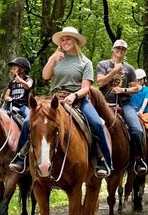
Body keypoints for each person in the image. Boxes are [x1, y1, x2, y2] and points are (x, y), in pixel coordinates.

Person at [41, 26, 113, 178]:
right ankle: (22, 157)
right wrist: (53, 58)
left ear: (75, 41)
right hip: (54, 99)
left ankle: (103, 160)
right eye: (63, 39)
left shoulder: (85, 62)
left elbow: (86, 88)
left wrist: (74, 96)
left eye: (68, 38)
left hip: (77, 99)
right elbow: (46, 76)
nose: (65, 41)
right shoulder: (56, 59)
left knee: (97, 124)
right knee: (30, 121)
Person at [96, 39, 148, 175]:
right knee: (89, 125)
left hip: (124, 103)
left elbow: (136, 88)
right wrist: (114, 71)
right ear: (113, 49)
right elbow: (100, 82)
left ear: (125, 52)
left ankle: (138, 158)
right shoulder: (103, 64)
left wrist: (123, 90)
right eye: (118, 48)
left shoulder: (129, 68)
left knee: (137, 129)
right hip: (103, 103)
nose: (120, 50)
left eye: (123, 49)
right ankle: (96, 159)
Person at [6, 57, 34, 172]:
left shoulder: (28, 79)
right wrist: (8, 98)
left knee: (28, 122)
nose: (12, 69)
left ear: (22, 69)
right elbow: (6, 95)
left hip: (23, 107)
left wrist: (19, 80)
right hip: (11, 105)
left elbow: (28, 86)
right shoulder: (11, 83)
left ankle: (24, 153)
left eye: (14, 67)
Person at [131, 69, 148, 158]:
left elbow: (146, 100)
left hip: (144, 114)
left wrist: (141, 110)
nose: (139, 81)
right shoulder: (131, 89)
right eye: (137, 79)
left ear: (144, 79)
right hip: (132, 113)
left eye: (141, 79)